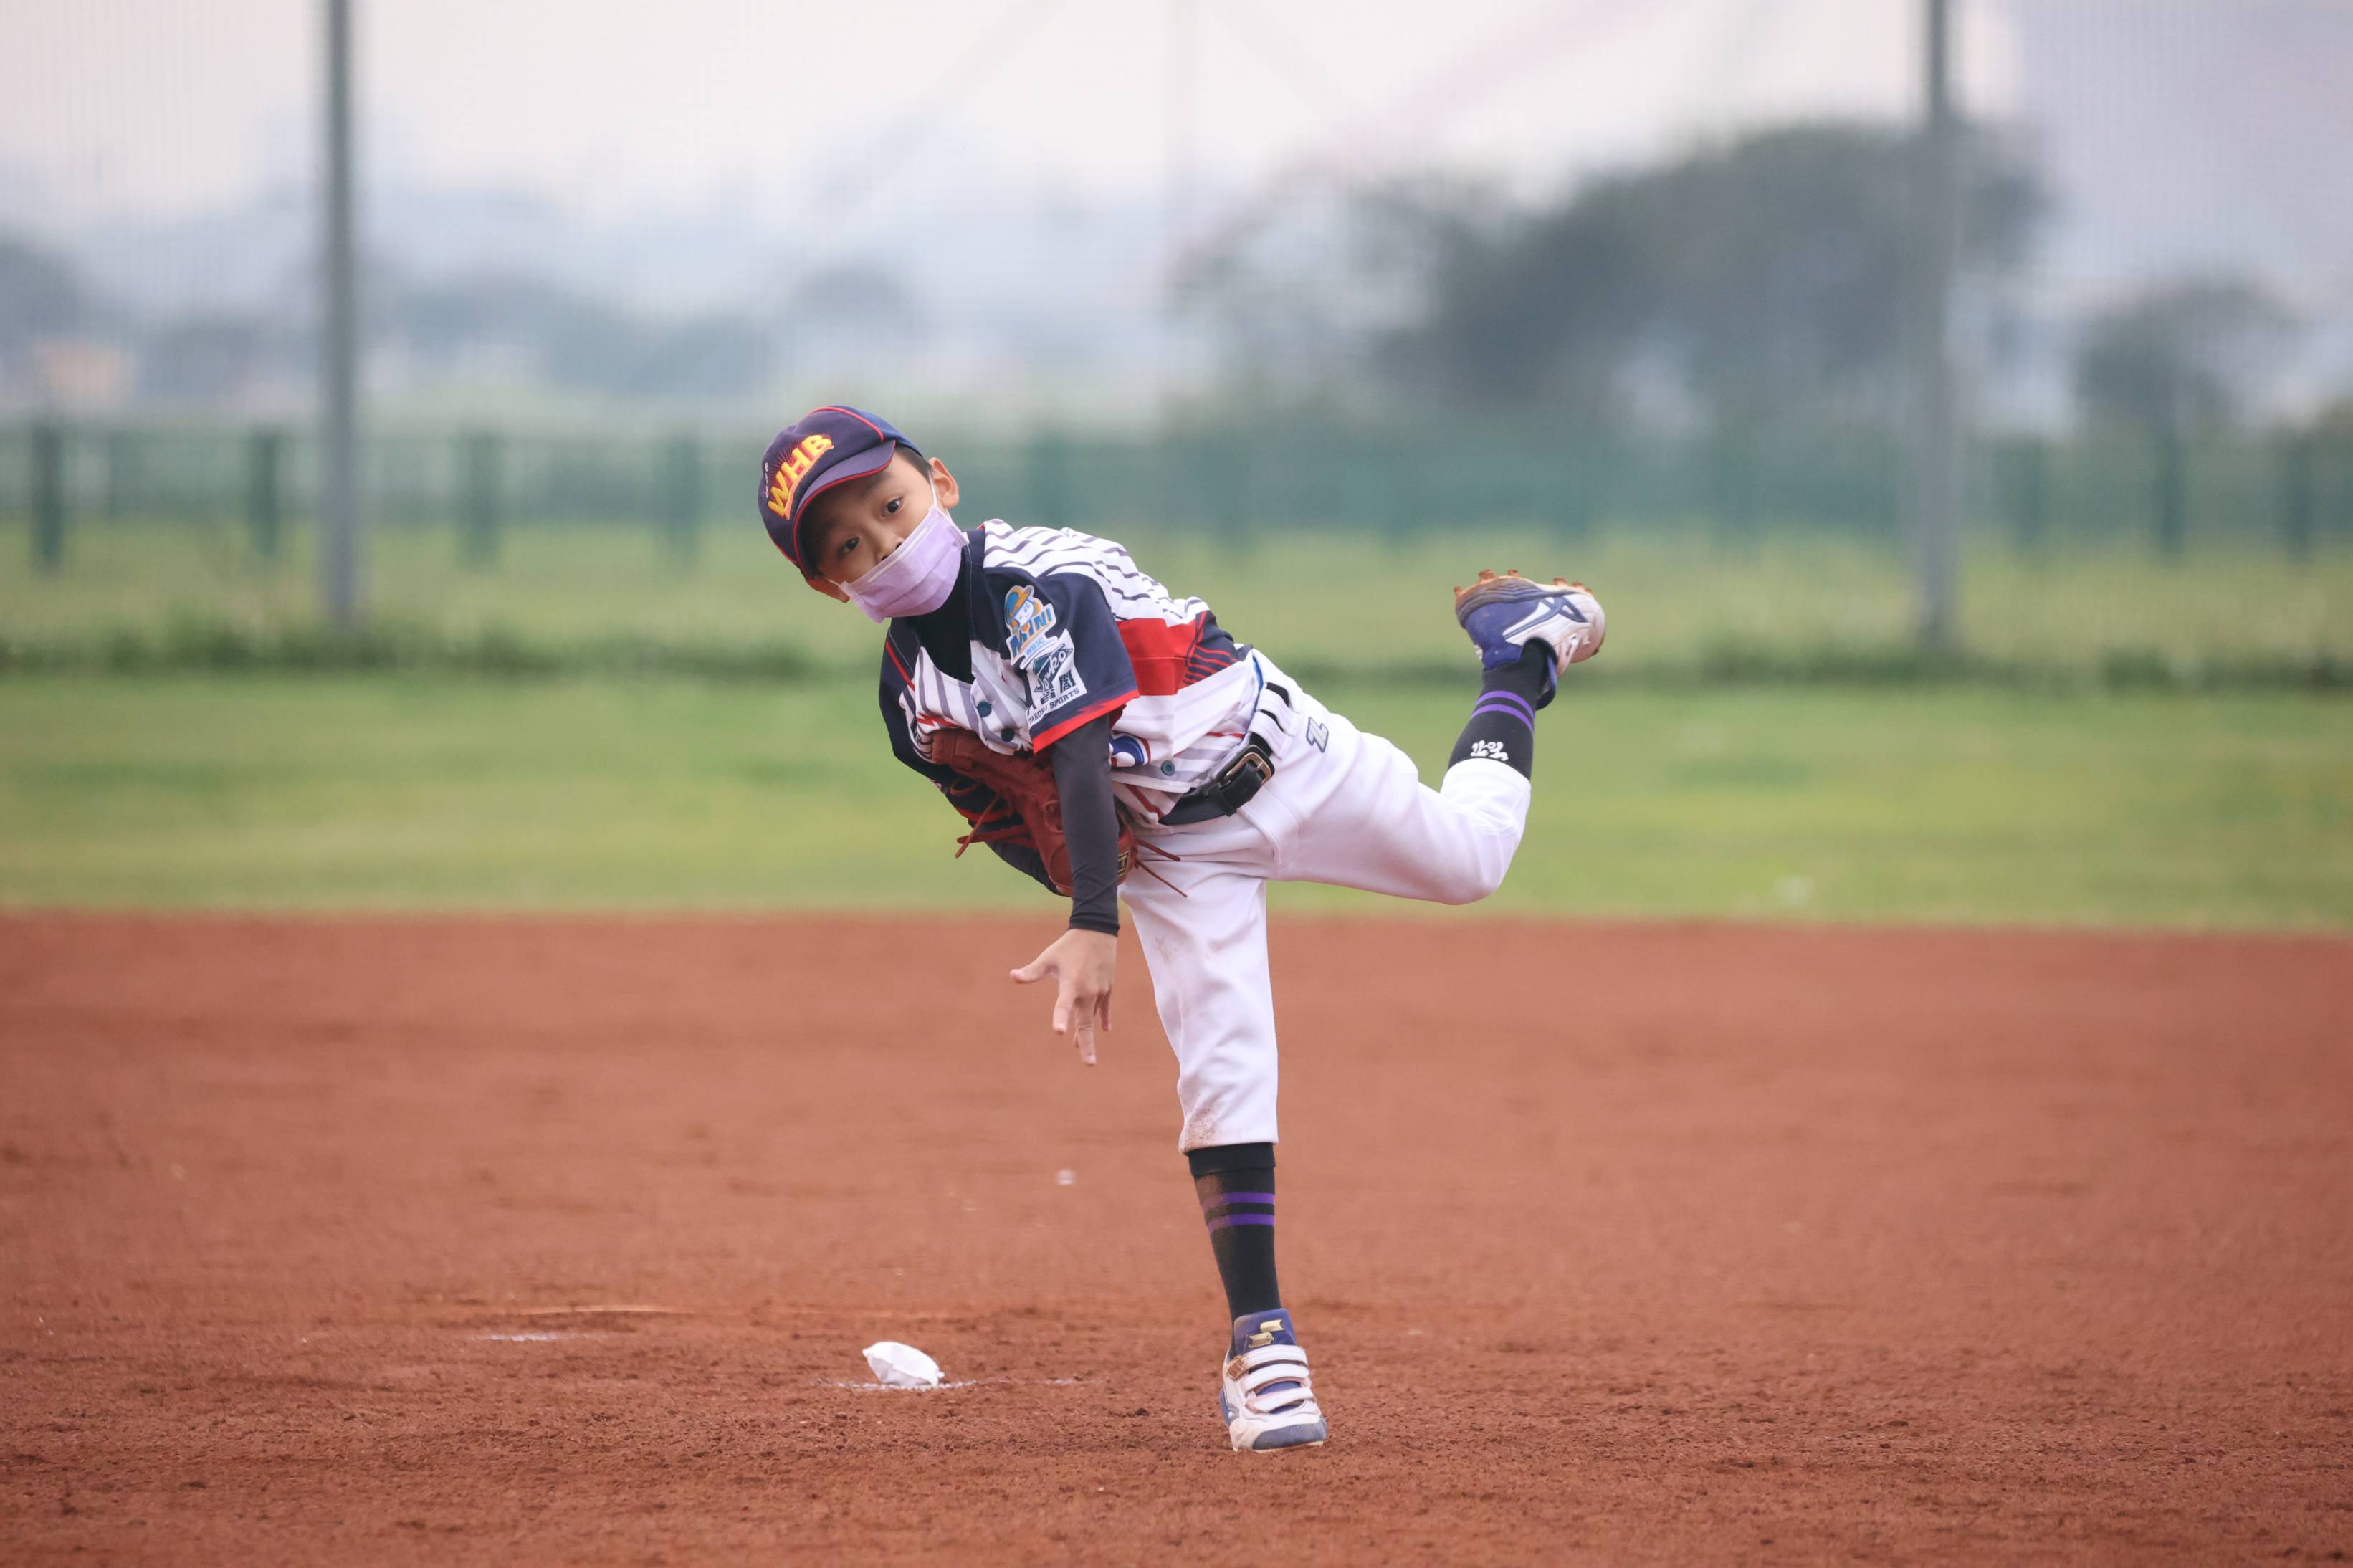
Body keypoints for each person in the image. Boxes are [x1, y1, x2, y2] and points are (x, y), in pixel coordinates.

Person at [760, 406, 1605, 1453]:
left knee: (1472, 860)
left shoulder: (1034, 582)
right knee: (1223, 1071)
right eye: (847, 545)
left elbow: (1077, 751)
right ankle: (1264, 1349)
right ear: (827, 585)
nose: (884, 543)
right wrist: (1092, 875)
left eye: (890, 505)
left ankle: (1518, 654)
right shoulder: (910, 702)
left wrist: (1091, 920)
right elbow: (1001, 817)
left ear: (941, 481)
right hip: (1171, 853)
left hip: (1283, 756)